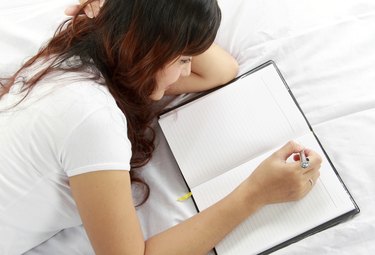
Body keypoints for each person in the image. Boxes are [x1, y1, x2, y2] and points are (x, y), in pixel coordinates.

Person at [0, 0, 322, 254]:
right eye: (182, 59)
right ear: (148, 50)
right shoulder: (93, 118)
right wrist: (255, 193)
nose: (186, 73)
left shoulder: (80, 49)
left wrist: (131, 14)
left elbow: (222, 71)